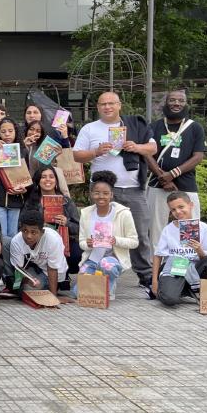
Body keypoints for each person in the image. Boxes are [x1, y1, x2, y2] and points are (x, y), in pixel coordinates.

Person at [72, 91, 157, 290]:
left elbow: (152, 148)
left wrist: (136, 147)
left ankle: (145, 274)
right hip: (102, 190)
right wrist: (96, 151)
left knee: (140, 232)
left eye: (111, 103)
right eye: (103, 104)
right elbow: (76, 156)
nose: (107, 107)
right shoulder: (90, 129)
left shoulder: (134, 125)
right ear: (97, 107)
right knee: (100, 231)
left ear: (119, 105)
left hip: (133, 188)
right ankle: (98, 270)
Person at [144, 90, 206, 248]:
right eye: (172, 100)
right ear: (166, 103)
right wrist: (162, 178)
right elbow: (146, 153)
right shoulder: (154, 127)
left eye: (181, 100)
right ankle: (157, 262)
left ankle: (188, 261)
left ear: (186, 104)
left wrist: (172, 174)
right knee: (156, 229)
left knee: (190, 228)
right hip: (157, 184)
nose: (176, 103)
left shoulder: (195, 128)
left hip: (186, 184)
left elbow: (198, 156)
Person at [73, 171, 138, 300]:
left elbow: (134, 242)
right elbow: (82, 242)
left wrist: (115, 240)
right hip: (93, 259)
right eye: (97, 193)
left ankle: (109, 285)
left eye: (106, 193)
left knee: (105, 266)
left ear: (111, 194)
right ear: (91, 194)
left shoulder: (123, 214)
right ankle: (100, 283)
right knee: (78, 293)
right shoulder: (86, 214)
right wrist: (88, 244)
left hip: (112, 259)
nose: (101, 196)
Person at [151, 192, 207, 307]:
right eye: (173, 210)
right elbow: (158, 255)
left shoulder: (204, 228)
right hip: (176, 267)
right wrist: (154, 282)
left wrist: (199, 250)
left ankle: (202, 288)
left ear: (191, 205)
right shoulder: (168, 230)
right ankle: (186, 289)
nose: (178, 212)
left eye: (181, 207)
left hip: (196, 267)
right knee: (169, 299)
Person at [23, 165, 81, 286]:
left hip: (65, 241)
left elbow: (78, 227)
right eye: (43, 177)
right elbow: (21, 224)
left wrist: (66, 222)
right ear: (38, 181)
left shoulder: (66, 201)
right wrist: (37, 225)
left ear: (56, 181)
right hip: (39, 243)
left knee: (76, 254)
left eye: (51, 177)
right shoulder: (31, 202)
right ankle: (46, 275)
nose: (48, 180)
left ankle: (64, 275)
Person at [6, 210, 67, 296]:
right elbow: (19, 269)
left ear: (42, 232)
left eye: (33, 232)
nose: (28, 236)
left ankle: (47, 292)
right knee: (22, 286)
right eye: (25, 231)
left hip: (54, 274)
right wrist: (28, 280)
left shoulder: (53, 239)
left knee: (28, 289)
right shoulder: (16, 241)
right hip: (36, 268)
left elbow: (52, 269)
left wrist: (53, 297)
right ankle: (15, 288)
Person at [0, 118, 28, 237]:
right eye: (3, 131)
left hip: (16, 198)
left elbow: (27, 176)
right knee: (1, 235)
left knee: (13, 234)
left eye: (10, 131)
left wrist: (24, 188)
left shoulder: (23, 151)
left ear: (16, 132)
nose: (7, 134)